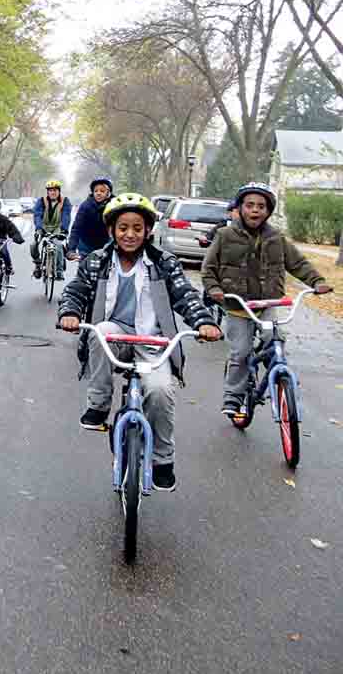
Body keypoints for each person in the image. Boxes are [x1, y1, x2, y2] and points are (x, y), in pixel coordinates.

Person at [57, 193, 221, 491]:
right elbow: (77, 290)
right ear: (112, 231)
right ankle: (98, 405)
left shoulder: (163, 262)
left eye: (137, 228)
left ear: (148, 231)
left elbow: (185, 295)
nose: (129, 234)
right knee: (99, 331)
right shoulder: (98, 260)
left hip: (153, 340)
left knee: (159, 391)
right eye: (123, 228)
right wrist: (69, 311)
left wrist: (204, 321)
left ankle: (162, 459)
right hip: (115, 335)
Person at [201, 182, 332, 418]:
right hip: (238, 307)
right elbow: (208, 269)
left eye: (261, 206)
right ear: (240, 208)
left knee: (276, 340)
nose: (255, 210)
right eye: (249, 205)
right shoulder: (225, 235)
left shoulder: (277, 238)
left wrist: (317, 282)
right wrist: (214, 289)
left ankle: (280, 377)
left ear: (268, 211)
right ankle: (233, 396)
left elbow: (298, 263)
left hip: (268, 304)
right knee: (240, 352)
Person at [31, 179, 72, 279]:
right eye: (50, 190)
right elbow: (37, 215)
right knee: (33, 245)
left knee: (58, 245)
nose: (53, 192)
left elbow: (66, 216)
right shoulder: (41, 201)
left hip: (58, 228)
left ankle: (59, 271)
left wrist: (64, 230)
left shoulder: (65, 201)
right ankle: (37, 264)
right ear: (47, 192)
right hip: (43, 227)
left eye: (55, 190)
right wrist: (39, 228)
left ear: (59, 191)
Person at [67, 177, 114, 260]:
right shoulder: (85, 206)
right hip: (86, 245)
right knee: (85, 269)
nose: (98, 193)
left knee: (108, 269)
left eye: (102, 191)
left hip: (107, 244)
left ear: (109, 193)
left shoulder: (115, 205)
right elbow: (76, 228)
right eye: (96, 191)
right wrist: (71, 249)